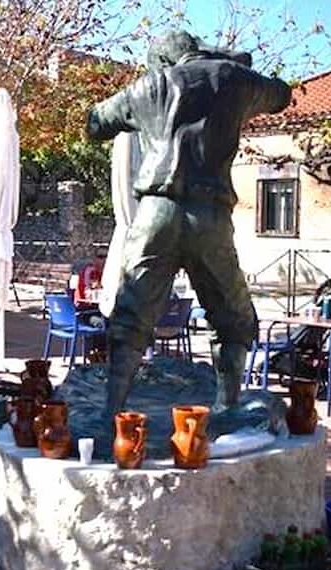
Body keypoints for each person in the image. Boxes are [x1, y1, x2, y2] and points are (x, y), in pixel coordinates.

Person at [84, 30, 291, 425]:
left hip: (155, 213)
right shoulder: (231, 78)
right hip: (208, 215)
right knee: (232, 317)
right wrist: (230, 61)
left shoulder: (147, 86)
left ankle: (113, 409)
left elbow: (95, 123)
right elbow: (280, 95)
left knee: (131, 315)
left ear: (162, 60)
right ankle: (226, 404)